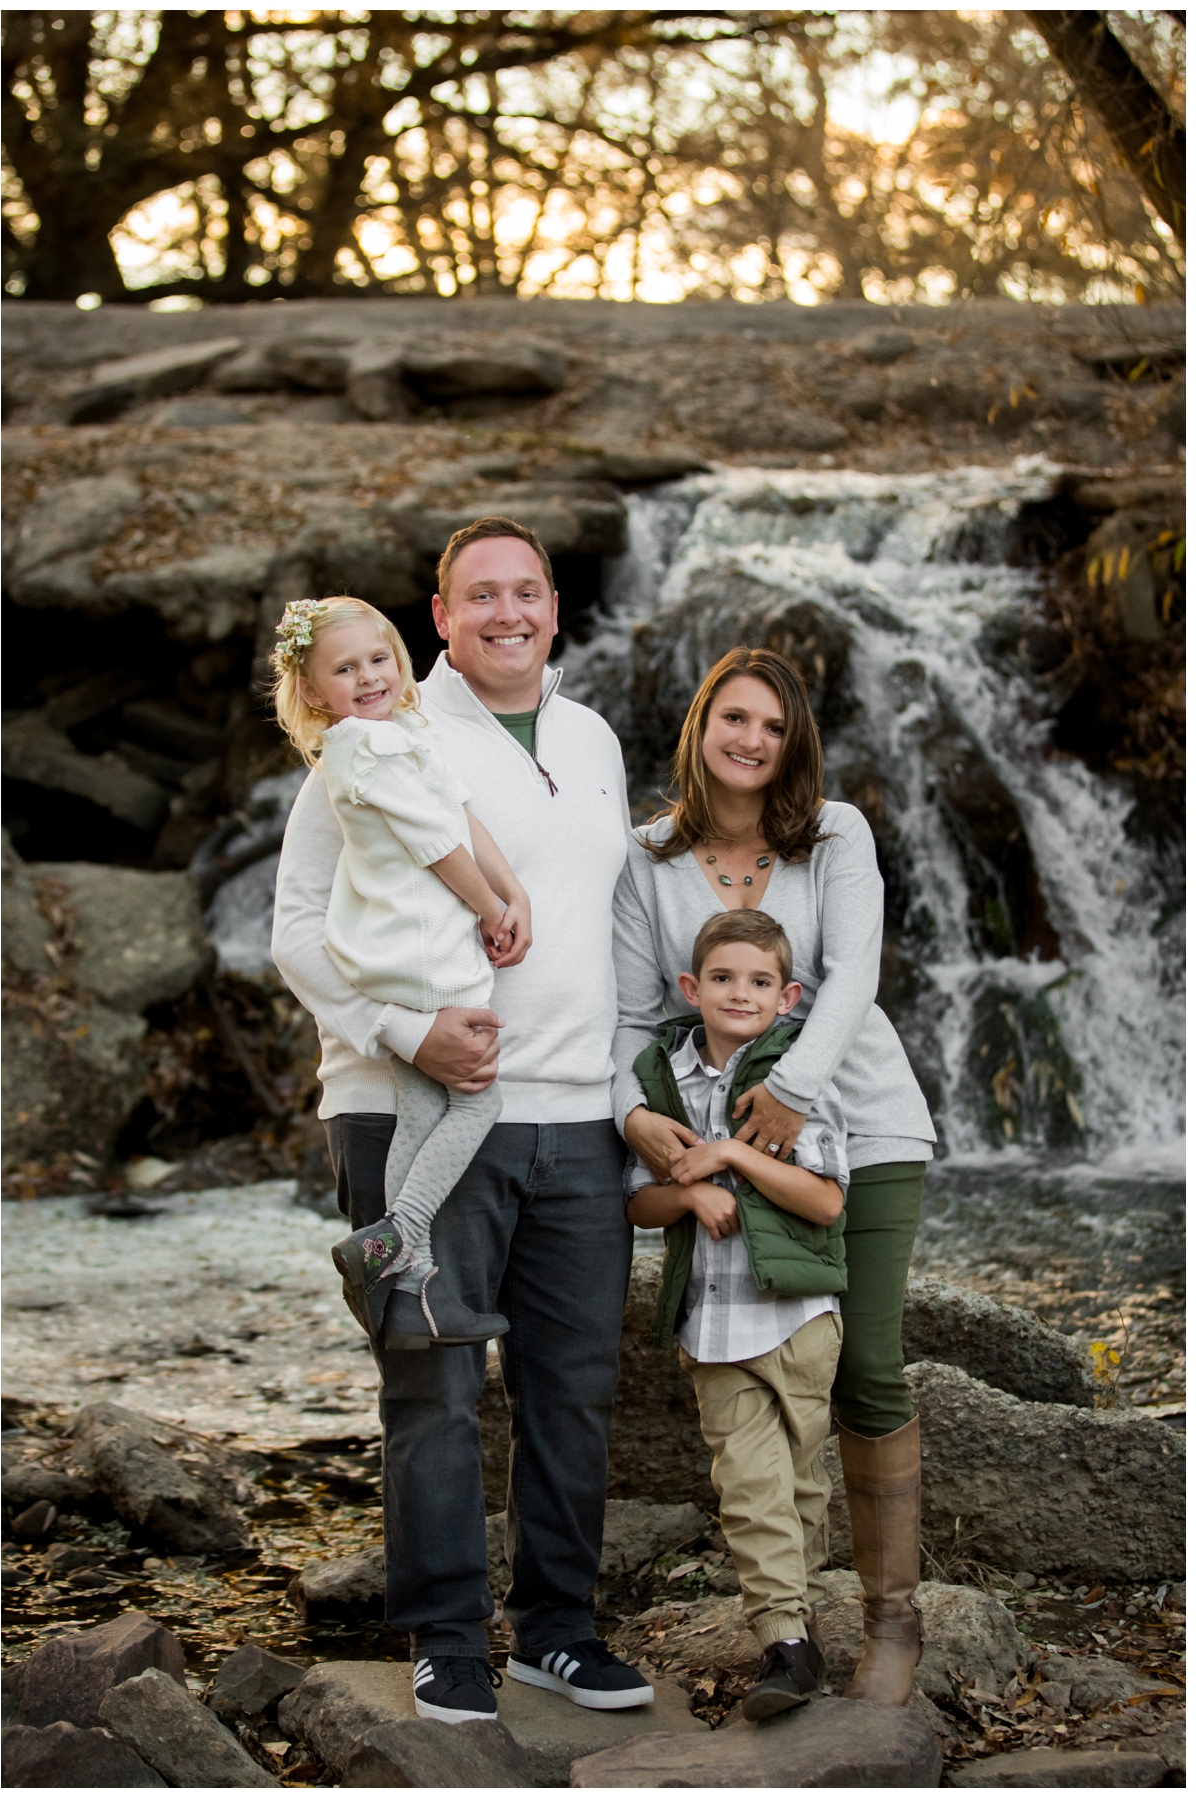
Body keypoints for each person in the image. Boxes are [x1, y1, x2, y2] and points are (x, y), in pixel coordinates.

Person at [273, 518, 651, 1724]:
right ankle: (446, 1639)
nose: (506, 613)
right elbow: (290, 925)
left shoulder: (592, 737)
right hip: (414, 1105)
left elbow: (614, 925)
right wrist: (401, 1031)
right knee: (432, 1384)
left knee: (573, 1384)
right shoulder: (381, 732)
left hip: (580, 1118)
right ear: (436, 616)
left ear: (554, 607)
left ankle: (558, 1630)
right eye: (479, 595)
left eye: (526, 592)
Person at [611, 644, 937, 1706]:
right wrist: (635, 1118)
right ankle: (790, 1626)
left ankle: (894, 1623)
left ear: (793, 742)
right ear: (701, 726)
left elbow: (854, 973)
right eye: (732, 718)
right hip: (708, 1134)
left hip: (861, 1123)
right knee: (751, 1375)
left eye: (773, 725)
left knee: (868, 1363)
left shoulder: (834, 832)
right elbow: (625, 1016)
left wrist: (793, 1089)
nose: (751, 739)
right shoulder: (646, 856)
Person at [266, 594, 530, 1345]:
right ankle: (394, 1235)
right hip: (420, 962)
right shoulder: (362, 747)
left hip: (406, 958)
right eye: (345, 669)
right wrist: (487, 904)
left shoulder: (403, 734)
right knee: (477, 1104)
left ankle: (404, 1274)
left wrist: (514, 893)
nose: (369, 676)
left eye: (378, 658)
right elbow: (433, 838)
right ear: (314, 691)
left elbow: (459, 813)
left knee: (423, 1109)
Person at [624, 908, 851, 1719]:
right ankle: (784, 1641)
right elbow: (637, 1206)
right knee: (751, 1486)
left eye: (759, 982)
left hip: (799, 1318)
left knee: (799, 1485)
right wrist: (686, 1194)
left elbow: (826, 1202)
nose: (739, 994)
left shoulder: (794, 1075)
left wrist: (730, 1154)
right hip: (713, 1324)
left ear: (788, 997)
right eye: (722, 978)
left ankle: (801, 1609)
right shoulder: (660, 1079)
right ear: (691, 988)